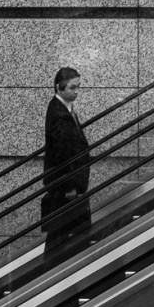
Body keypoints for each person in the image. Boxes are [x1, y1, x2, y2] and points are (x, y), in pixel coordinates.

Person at [41, 67, 92, 268]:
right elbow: (62, 152)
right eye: (72, 87)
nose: (76, 91)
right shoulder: (58, 112)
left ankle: (62, 271)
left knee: (61, 232)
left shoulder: (66, 108)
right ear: (59, 87)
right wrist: (71, 186)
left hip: (70, 183)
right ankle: (67, 273)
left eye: (78, 87)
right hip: (66, 185)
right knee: (65, 232)